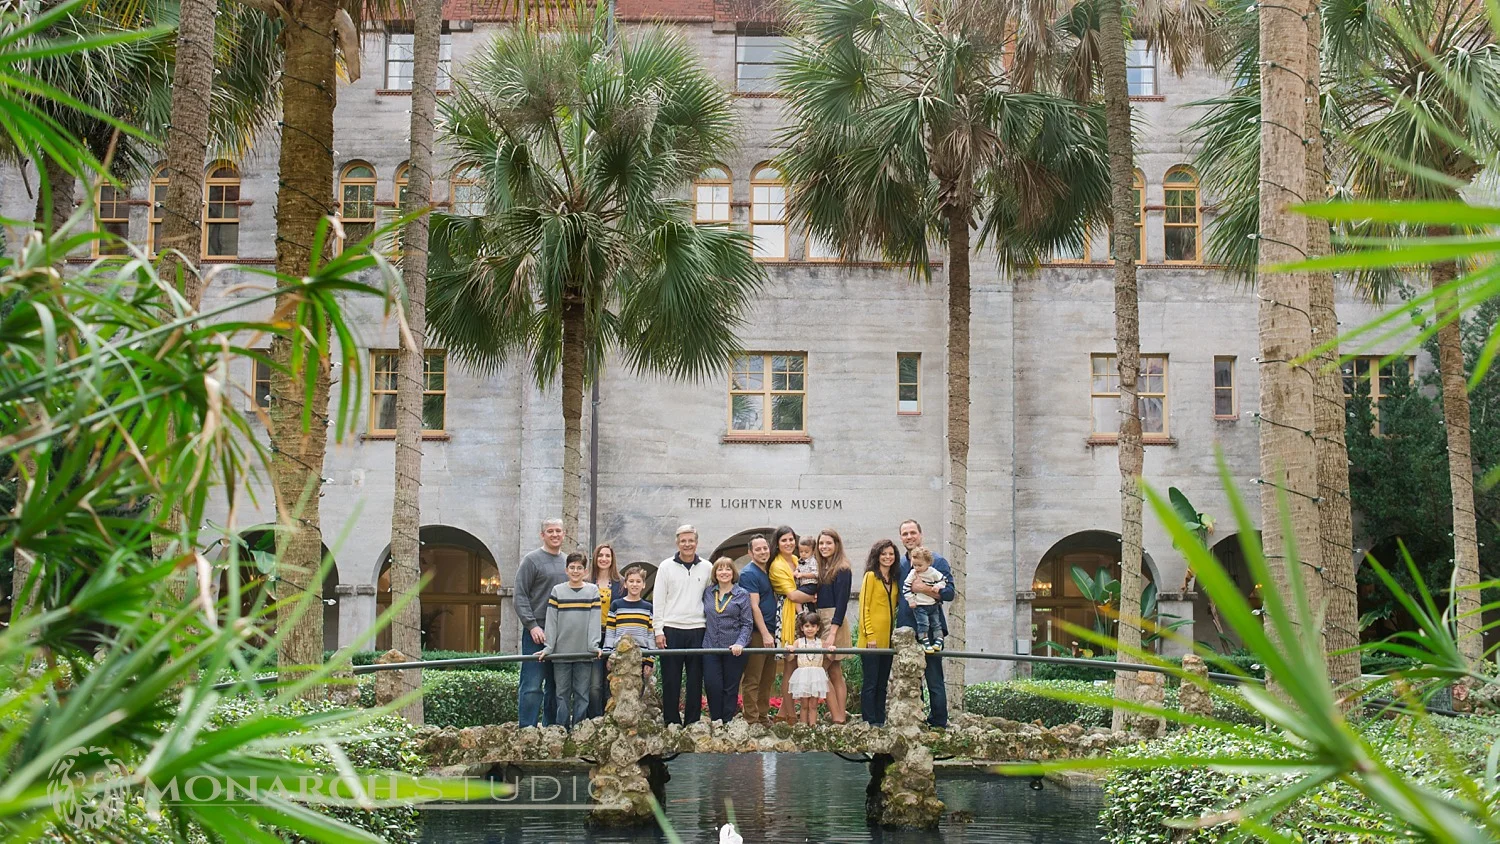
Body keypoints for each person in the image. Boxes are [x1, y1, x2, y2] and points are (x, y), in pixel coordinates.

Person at [897, 519, 955, 728]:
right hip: (905, 630)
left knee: (934, 678)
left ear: (920, 535)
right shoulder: (901, 563)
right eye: (905, 534)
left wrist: (925, 590)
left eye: (913, 532)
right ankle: (916, 719)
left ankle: (939, 722)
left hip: (931, 629)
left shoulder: (937, 562)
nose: (909, 537)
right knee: (911, 680)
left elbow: (949, 593)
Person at [653, 524, 713, 725]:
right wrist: (658, 630)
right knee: (671, 680)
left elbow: (709, 599)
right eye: (683, 541)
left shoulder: (707, 567)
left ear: (697, 542)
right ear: (677, 542)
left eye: (691, 540)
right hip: (671, 628)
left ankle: (692, 722)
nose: (687, 544)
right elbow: (658, 600)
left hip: (698, 629)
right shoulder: (665, 566)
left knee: (695, 680)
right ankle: (671, 722)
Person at [539, 553, 603, 729]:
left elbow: (594, 620)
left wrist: (593, 645)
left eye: (579, 568)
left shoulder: (592, 591)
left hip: (584, 652)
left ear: (586, 570)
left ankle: (578, 730)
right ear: (566, 570)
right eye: (572, 567)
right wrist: (549, 647)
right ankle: (562, 729)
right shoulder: (557, 591)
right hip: (561, 653)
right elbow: (551, 621)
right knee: (562, 693)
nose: (576, 571)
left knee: (582, 693)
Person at [514, 518, 568, 727]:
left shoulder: (568, 563)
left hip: (562, 633)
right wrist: (532, 625)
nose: (555, 535)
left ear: (564, 534)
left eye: (558, 531)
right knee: (532, 684)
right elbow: (520, 596)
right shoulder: (531, 560)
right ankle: (526, 729)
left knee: (556, 686)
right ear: (542, 535)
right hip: (536, 632)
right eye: (550, 531)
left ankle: (551, 730)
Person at [736, 535, 781, 725]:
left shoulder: (768, 571)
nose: (763, 552)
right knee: (753, 678)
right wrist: (764, 634)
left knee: (768, 678)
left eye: (765, 548)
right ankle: (751, 720)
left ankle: (763, 716)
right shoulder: (749, 574)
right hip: (758, 633)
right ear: (750, 553)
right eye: (758, 549)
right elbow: (754, 606)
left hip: (772, 632)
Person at [702, 557, 753, 723]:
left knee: (730, 688)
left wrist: (740, 643)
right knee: (712, 685)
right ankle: (716, 721)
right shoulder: (708, 592)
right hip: (710, 648)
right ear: (715, 573)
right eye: (720, 569)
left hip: (734, 649)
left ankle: (727, 722)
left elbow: (747, 623)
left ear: (733, 572)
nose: (724, 572)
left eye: (727, 569)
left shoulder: (742, 594)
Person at [771, 526, 813, 724]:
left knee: (796, 665)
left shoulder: (797, 560)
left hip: (800, 614)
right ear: (777, 544)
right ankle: (790, 715)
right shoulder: (777, 565)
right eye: (784, 540)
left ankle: (781, 712)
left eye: (790, 539)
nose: (788, 543)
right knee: (790, 665)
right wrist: (812, 596)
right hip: (788, 616)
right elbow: (793, 595)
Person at [811, 528, 853, 724]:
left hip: (834, 621)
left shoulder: (842, 568)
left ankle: (837, 716)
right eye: (821, 544)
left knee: (817, 668)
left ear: (836, 545)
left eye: (828, 543)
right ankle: (840, 715)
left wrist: (832, 633)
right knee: (834, 671)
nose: (824, 547)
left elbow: (843, 603)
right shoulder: (821, 567)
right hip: (821, 619)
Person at [858, 539, 900, 726]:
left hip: (888, 640)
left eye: (891, 554)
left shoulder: (894, 579)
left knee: (882, 683)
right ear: (877, 556)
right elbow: (864, 607)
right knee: (871, 682)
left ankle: (880, 719)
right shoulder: (870, 577)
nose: (887, 557)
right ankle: (869, 719)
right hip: (872, 640)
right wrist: (870, 635)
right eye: (884, 554)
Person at [588, 543, 624, 718]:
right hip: (592, 636)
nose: (604, 559)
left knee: (612, 680)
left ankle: (610, 718)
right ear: (595, 558)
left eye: (607, 556)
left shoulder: (621, 584)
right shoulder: (586, 582)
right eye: (600, 555)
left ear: (612, 559)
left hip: (612, 636)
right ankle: (595, 718)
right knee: (594, 683)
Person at [604, 566, 655, 684]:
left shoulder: (648, 608)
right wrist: (608, 654)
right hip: (619, 657)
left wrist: (650, 660)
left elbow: (650, 635)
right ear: (625, 584)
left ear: (643, 585)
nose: (634, 584)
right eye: (631, 581)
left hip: (641, 657)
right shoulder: (616, 605)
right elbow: (611, 632)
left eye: (638, 581)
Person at [787, 611, 831, 725]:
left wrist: (832, 649)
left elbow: (830, 657)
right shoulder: (798, 642)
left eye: (813, 626)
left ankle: (813, 725)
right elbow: (790, 658)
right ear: (802, 628)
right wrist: (789, 650)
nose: (810, 629)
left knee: (813, 704)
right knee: (804, 704)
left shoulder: (821, 642)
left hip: (816, 675)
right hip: (803, 675)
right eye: (807, 626)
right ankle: (803, 726)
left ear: (818, 628)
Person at [904, 546, 947, 653]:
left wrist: (938, 586)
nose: (917, 568)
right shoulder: (913, 573)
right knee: (923, 624)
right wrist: (911, 600)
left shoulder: (933, 572)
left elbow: (943, 580)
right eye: (914, 565)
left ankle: (938, 640)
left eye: (919, 565)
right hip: (920, 605)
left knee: (936, 623)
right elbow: (906, 587)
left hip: (933, 604)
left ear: (928, 563)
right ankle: (924, 641)